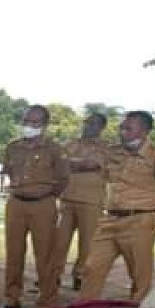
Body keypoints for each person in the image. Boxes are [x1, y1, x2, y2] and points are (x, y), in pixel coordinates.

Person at [79, 111, 155, 302]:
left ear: (144, 132)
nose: (122, 132)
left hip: (140, 221)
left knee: (139, 274)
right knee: (92, 267)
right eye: (121, 128)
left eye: (128, 129)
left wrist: (145, 206)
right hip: (111, 219)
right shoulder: (113, 152)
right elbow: (102, 173)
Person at [0, 105, 69, 308]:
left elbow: (63, 179)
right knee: (13, 254)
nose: (29, 126)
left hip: (43, 204)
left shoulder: (54, 149)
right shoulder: (13, 147)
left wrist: (45, 194)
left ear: (45, 125)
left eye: (34, 122)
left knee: (45, 255)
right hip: (16, 203)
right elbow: (8, 171)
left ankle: (47, 303)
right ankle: (11, 300)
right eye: (26, 121)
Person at [56, 113, 110, 291]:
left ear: (102, 127)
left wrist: (74, 164)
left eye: (93, 123)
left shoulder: (106, 148)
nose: (88, 126)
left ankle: (80, 276)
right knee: (59, 241)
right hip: (67, 198)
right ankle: (53, 274)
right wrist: (81, 164)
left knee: (88, 243)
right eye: (87, 122)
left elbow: (93, 164)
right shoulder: (71, 144)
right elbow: (60, 164)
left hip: (91, 201)